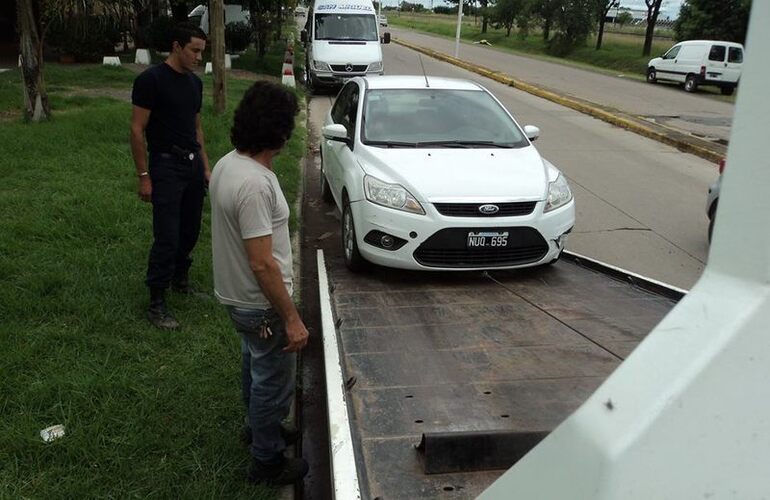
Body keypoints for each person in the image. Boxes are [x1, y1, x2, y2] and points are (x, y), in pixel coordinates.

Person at [209, 81, 310, 485]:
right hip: (261, 303)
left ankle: (258, 432)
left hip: (240, 301)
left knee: (254, 366)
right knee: (272, 381)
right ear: (280, 130)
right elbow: (262, 263)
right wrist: (291, 318)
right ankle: (266, 461)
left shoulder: (228, 163)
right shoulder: (254, 184)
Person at [130, 23, 211, 330]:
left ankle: (181, 279)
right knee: (167, 235)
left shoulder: (194, 83)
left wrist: (205, 166)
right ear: (176, 46)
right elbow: (137, 129)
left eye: (201, 52)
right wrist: (144, 175)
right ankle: (156, 301)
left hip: (191, 165)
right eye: (194, 50)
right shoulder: (151, 80)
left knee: (189, 231)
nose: (198, 57)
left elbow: (197, 128)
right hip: (165, 165)